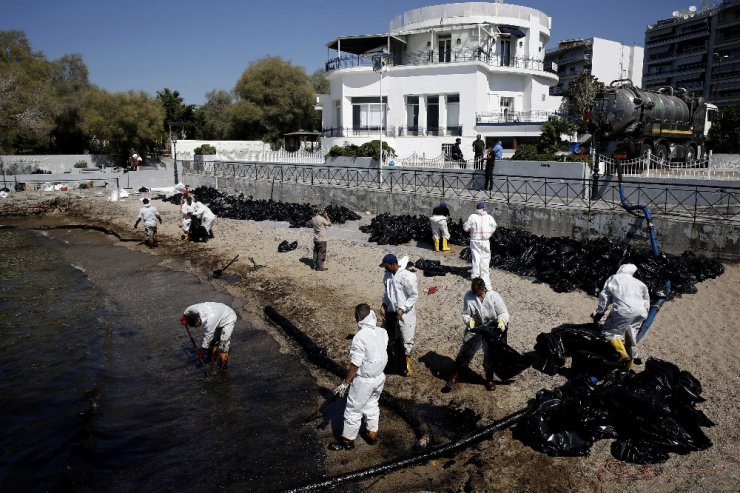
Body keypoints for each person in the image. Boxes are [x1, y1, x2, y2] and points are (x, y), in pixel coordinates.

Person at [328, 303, 389, 451]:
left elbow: (355, 364)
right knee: (372, 405)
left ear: (358, 317)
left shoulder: (360, 337)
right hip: (380, 377)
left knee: (353, 410)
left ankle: (347, 441)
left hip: (364, 381)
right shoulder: (382, 332)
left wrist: (345, 382)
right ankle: (372, 435)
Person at [445, 277, 510, 392]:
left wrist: (501, 321)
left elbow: (504, 312)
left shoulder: (494, 296)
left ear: (483, 288)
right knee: (466, 350)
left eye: (478, 291)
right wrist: (469, 321)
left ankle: (489, 378)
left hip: (491, 328)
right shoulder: (468, 297)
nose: (476, 294)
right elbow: (465, 314)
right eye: (474, 291)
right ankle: (457, 373)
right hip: (476, 326)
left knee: (489, 354)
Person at [591, 264, 650, 369]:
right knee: (631, 335)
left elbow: (604, 298)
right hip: (641, 311)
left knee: (609, 333)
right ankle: (630, 363)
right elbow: (646, 301)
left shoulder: (614, 278)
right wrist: (643, 315)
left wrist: (599, 313)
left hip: (624, 310)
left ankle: (623, 355)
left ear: (620, 269)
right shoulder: (640, 283)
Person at [380, 254, 419, 377]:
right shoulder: (387, 275)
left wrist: (403, 308)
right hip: (391, 312)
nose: (385, 269)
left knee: (406, 338)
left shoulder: (408, 276)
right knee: (390, 337)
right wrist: (384, 304)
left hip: (406, 314)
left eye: (386, 266)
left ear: (393, 264)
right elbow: (387, 292)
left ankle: (406, 365)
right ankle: (393, 362)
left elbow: (414, 296)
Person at [180, 302, 238, 369]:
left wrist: (202, 350)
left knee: (224, 343)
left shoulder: (210, 322)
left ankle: (223, 366)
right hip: (219, 313)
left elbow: (208, 337)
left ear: (198, 320)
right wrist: (184, 317)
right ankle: (211, 358)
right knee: (214, 341)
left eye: (196, 326)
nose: (196, 327)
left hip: (229, 318)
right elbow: (188, 310)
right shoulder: (195, 309)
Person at [463, 202, 497, 291]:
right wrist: (489, 233)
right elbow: (494, 226)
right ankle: (485, 276)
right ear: (484, 208)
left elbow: (465, 228)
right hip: (485, 240)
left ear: (476, 208)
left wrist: (469, 229)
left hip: (475, 240)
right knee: (485, 258)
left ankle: (475, 276)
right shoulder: (489, 217)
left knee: (476, 257)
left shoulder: (472, 216)